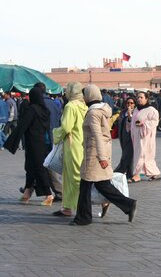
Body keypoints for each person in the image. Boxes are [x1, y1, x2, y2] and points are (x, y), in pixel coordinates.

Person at [70, 84, 137, 226]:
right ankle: (128, 205)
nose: (83, 98)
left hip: (94, 153)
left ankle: (83, 218)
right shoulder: (103, 109)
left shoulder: (94, 113)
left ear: (89, 96)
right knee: (102, 184)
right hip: (102, 150)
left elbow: (97, 135)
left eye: (85, 95)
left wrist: (101, 158)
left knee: (86, 185)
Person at [3, 88, 54, 205]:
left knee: (39, 168)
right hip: (42, 142)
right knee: (30, 167)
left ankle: (48, 194)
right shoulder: (45, 110)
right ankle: (27, 193)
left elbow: (23, 125)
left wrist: (12, 141)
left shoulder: (32, 109)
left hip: (33, 143)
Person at [52, 82, 88, 217]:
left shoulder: (70, 106)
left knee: (73, 177)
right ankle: (67, 207)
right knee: (72, 176)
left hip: (72, 145)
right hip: (81, 144)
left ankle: (90, 202)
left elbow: (66, 127)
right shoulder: (83, 106)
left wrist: (55, 133)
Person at [129, 91, 161, 183]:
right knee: (142, 155)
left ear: (146, 99)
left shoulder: (151, 110)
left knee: (142, 154)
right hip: (137, 136)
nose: (139, 99)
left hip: (146, 137)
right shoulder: (136, 109)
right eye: (138, 97)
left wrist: (143, 124)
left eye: (141, 97)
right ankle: (154, 173)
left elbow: (155, 122)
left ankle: (137, 174)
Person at [114, 96, 137, 181]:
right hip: (123, 135)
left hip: (132, 136)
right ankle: (128, 173)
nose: (129, 105)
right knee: (126, 154)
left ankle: (122, 171)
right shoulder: (122, 112)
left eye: (131, 103)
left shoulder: (136, 112)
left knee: (128, 155)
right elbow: (119, 122)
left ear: (134, 104)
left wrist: (130, 115)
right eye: (128, 103)